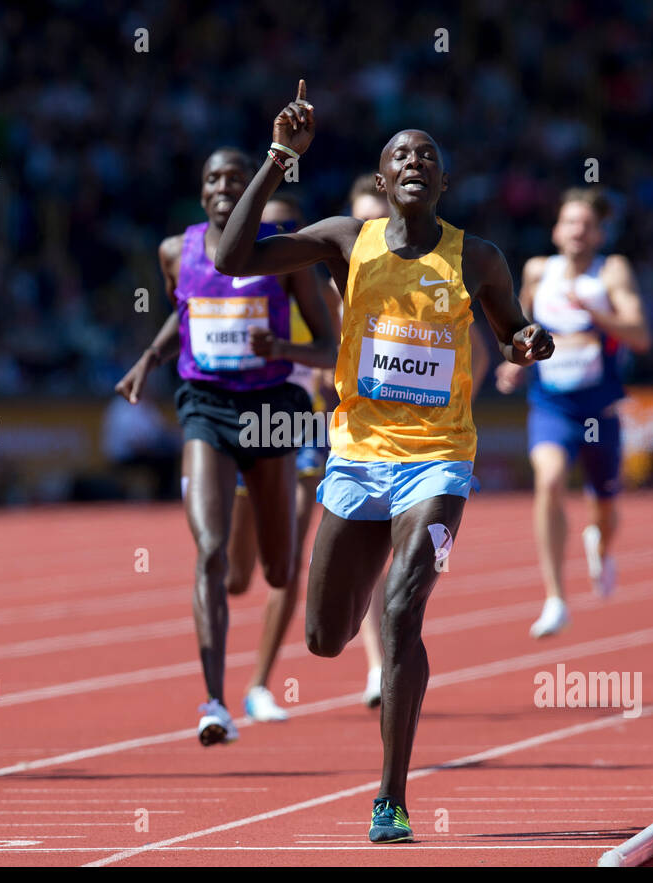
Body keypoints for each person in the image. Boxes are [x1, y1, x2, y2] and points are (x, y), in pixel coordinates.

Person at [215, 81, 554, 842]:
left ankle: (391, 797)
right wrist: (278, 160)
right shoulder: (346, 240)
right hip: (357, 460)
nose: (415, 161)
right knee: (325, 638)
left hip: (438, 462)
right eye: (400, 154)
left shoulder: (480, 259)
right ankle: (360, 646)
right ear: (381, 179)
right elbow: (231, 257)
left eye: (427, 156)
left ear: (442, 183)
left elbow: (518, 334)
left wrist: (532, 343)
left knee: (402, 612)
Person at [115, 148, 334, 745]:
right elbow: (183, 314)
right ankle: (214, 701)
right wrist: (151, 357)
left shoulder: (286, 255)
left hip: (274, 413)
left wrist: (282, 351)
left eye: (236, 180)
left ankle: (273, 619)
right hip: (205, 407)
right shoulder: (174, 250)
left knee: (278, 567)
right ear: (201, 187)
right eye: (213, 178)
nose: (223, 188)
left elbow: (332, 346)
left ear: (255, 190)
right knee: (209, 552)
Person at [334, 175, 492, 705]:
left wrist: (461, 387)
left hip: (432, 451)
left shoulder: (442, 268)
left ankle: (384, 664)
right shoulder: (347, 263)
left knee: (404, 586)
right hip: (351, 435)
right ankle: (370, 655)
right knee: (334, 599)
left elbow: (476, 348)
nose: (369, 226)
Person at [494, 188, 650, 638]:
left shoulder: (611, 271)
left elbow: (640, 336)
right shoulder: (538, 271)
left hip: (599, 408)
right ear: (556, 230)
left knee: (605, 506)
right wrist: (514, 364)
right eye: (569, 222)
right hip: (552, 405)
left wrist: (598, 314)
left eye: (586, 224)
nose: (577, 231)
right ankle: (555, 598)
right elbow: (517, 331)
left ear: (600, 232)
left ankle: (599, 541)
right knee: (549, 479)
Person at [224, 193, 339, 721]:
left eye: (287, 229)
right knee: (236, 575)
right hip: (243, 421)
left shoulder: (318, 287)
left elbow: (335, 350)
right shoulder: (233, 284)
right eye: (263, 231)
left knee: (288, 562)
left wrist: (297, 356)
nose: (276, 240)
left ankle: (258, 685)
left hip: (299, 421)